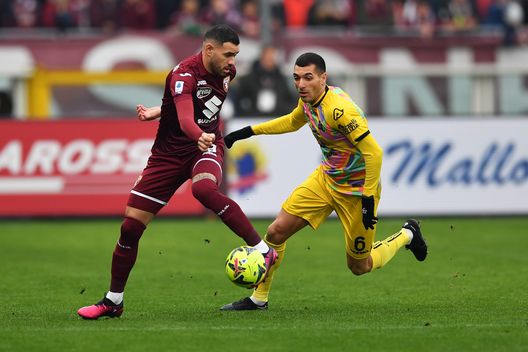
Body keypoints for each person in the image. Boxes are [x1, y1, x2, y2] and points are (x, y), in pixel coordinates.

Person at [77, 24, 277, 320]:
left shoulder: (227, 73)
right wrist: (193, 130)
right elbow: (185, 117)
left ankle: (262, 249)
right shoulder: (183, 74)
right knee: (130, 228)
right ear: (209, 49)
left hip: (206, 146)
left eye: (235, 55)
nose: (233, 62)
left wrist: (187, 127)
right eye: (229, 54)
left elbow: (199, 104)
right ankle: (113, 301)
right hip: (169, 154)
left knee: (203, 189)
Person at [220, 52, 428, 311]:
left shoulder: (340, 110)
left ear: (323, 78)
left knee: (359, 266)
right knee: (275, 231)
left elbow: (374, 153)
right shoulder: (307, 100)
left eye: (308, 78)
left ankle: (407, 234)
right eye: (296, 78)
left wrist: (367, 198)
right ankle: (258, 298)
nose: (301, 84)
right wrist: (247, 132)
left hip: (356, 191)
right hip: (327, 179)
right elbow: (292, 121)